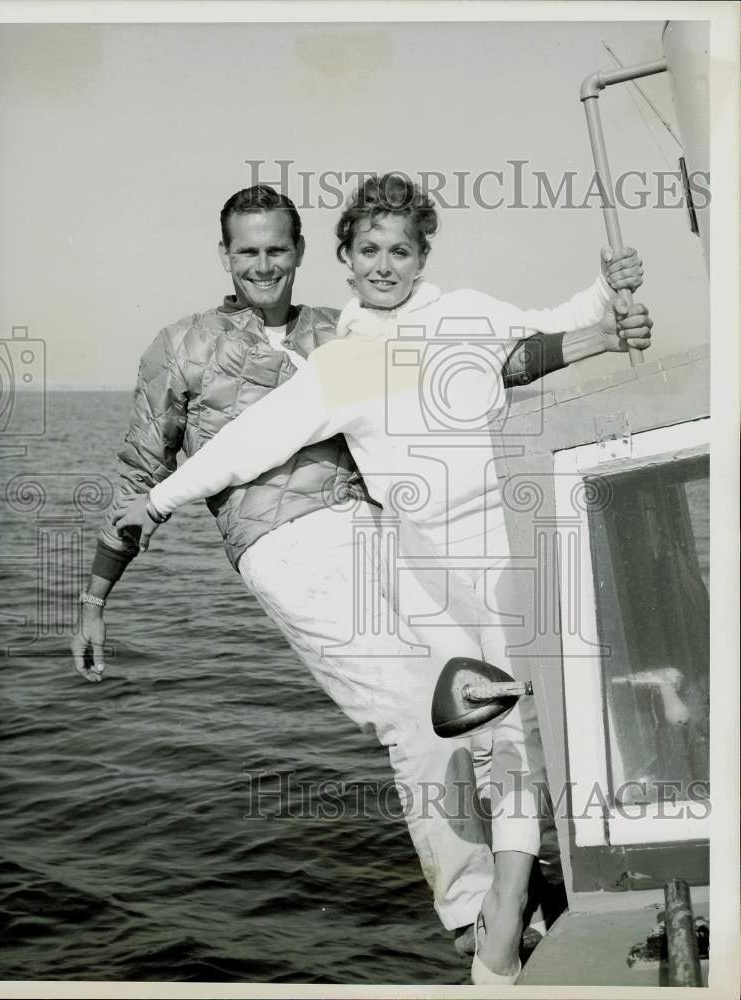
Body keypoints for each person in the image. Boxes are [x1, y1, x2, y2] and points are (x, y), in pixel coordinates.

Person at [112, 175, 652, 984]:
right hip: (419, 571)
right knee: (475, 721)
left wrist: (609, 302)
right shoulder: (338, 365)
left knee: (520, 727)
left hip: (502, 549)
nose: (384, 264)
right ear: (344, 257)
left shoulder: (463, 312)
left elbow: (545, 333)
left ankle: (505, 911)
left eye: (400, 249)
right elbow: (243, 444)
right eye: (368, 250)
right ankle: (507, 905)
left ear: (422, 254)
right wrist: (155, 500)